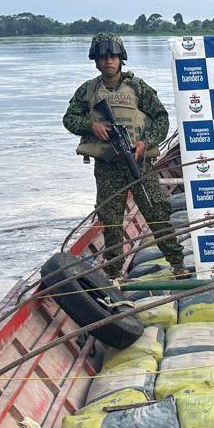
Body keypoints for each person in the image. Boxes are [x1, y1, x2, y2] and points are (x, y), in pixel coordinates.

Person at [62, 32, 185, 277]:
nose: (109, 61)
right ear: (95, 61)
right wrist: (91, 126)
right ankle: (114, 273)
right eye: (103, 57)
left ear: (121, 59)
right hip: (108, 167)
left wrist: (144, 143)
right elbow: (69, 119)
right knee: (110, 220)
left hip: (139, 162)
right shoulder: (87, 90)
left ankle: (178, 264)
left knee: (155, 211)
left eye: (113, 57)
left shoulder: (138, 87)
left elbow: (161, 118)